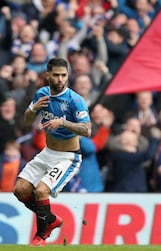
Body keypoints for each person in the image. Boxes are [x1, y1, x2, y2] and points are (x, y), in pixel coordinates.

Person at [12, 57, 91, 246]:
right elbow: (27, 121)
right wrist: (33, 109)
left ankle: (41, 235)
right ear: (47, 75)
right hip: (48, 152)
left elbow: (87, 130)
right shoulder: (41, 94)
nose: (60, 79)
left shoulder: (75, 100)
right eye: (56, 75)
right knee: (20, 190)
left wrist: (62, 122)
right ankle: (51, 219)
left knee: (41, 190)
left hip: (67, 157)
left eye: (63, 75)